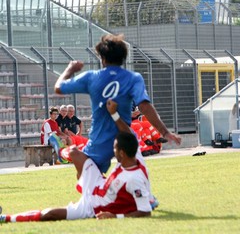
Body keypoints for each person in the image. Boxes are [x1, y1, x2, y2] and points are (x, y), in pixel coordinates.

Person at [54, 33, 181, 173]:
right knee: (136, 176)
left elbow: (59, 88)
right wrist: (165, 132)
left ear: (102, 58)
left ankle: (63, 153)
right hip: (125, 138)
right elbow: (144, 106)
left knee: (86, 175)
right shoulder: (133, 78)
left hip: (100, 139)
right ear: (123, 57)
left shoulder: (91, 77)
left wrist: (70, 69)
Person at [0, 132, 152, 222]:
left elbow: (145, 211)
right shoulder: (132, 157)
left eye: (114, 149)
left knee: (50, 214)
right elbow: (127, 131)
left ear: (121, 153)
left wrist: (115, 216)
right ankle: (61, 152)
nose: (113, 151)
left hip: (92, 206)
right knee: (73, 152)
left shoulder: (134, 179)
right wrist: (114, 113)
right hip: (97, 183)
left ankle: (6, 218)